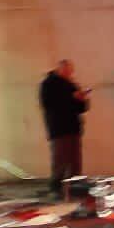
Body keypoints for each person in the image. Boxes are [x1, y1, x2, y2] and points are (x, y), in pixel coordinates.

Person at [39, 60, 90, 197]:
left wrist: (82, 98)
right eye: (67, 71)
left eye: (71, 71)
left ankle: (75, 189)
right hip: (59, 128)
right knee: (60, 161)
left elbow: (82, 109)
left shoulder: (72, 84)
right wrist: (71, 97)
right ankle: (56, 189)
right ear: (59, 69)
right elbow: (48, 103)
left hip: (74, 128)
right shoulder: (48, 84)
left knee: (75, 162)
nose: (70, 74)